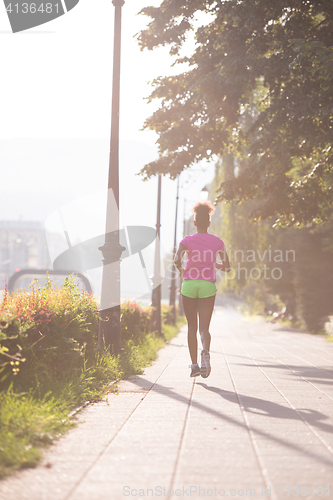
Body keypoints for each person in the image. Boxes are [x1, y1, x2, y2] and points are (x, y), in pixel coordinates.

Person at [174, 201, 230, 378]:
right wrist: (216, 265)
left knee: (192, 327)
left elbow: (177, 259)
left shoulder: (187, 241)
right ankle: (205, 350)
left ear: (195, 222)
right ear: (209, 223)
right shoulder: (217, 242)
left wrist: (182, 271)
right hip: (207, 286)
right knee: (204, 328)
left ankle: (194, 366)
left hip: (189, 284)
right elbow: (227, 266)